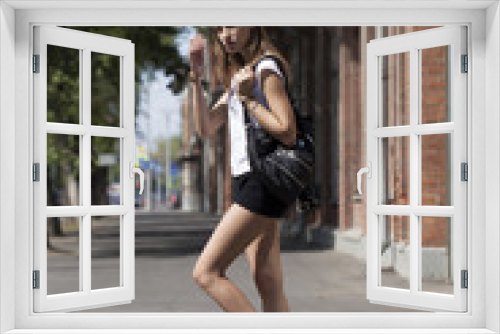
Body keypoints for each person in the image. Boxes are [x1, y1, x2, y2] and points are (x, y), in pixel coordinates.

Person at [188, 26, 297, 312]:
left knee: (206, 273)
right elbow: (207, 126)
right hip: (247, 180)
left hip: (261, 183)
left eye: (232, 25)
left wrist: (249, 99)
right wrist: (196, 78)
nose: (225, 34)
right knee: (267, 280)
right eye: (220, 29)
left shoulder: (266, 69)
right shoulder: (243, 75)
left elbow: (287, 131)